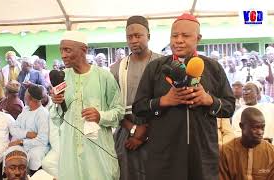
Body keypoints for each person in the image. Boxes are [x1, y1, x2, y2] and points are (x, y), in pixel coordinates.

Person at [132, 13, 235, 180]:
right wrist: (164, 101)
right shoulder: (155, 68)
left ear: (198, 38)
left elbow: (229, 107)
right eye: (174, 35)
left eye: (185, 36)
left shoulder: (213, 68)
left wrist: (208, 100)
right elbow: (138, 108)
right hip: (164, 155)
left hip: (202, 155)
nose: (178, 40)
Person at [50, 30, 124, 180]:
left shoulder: (103, 76)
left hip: (97, 150)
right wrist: (57, 104)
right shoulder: (63, 77)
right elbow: (57, 120)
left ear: (83, 50)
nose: (63, 55)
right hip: (70, 149)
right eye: (61, 50)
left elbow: (119, 111)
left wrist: (100, 115)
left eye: (67, 50)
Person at [110, 15, 162, 180]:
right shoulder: (117, 68)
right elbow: (113, 106)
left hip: (158, 131)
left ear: (149, 36)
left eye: (138, 36)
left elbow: (168, 101)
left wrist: (145, 132)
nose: (133, 40)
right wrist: (133, 129)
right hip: (127, 132)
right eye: (129, 37)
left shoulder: (163, 63)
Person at [219, 107, 274, 180]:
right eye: (255, 128)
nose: (260, 132)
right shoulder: (226, 151)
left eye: (262, 128)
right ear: (241, 126)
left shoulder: (271, 152)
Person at [9, 85, 50, 175]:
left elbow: (43, 140)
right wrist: (27, 134)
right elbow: (13, 128)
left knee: (34, 156)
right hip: (23, 143)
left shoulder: (43, 114)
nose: (23, 96)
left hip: (38, 147)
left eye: (25, 94)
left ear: (29, 98)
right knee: (10, 154)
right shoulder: (26, 109)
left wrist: (21, 142)